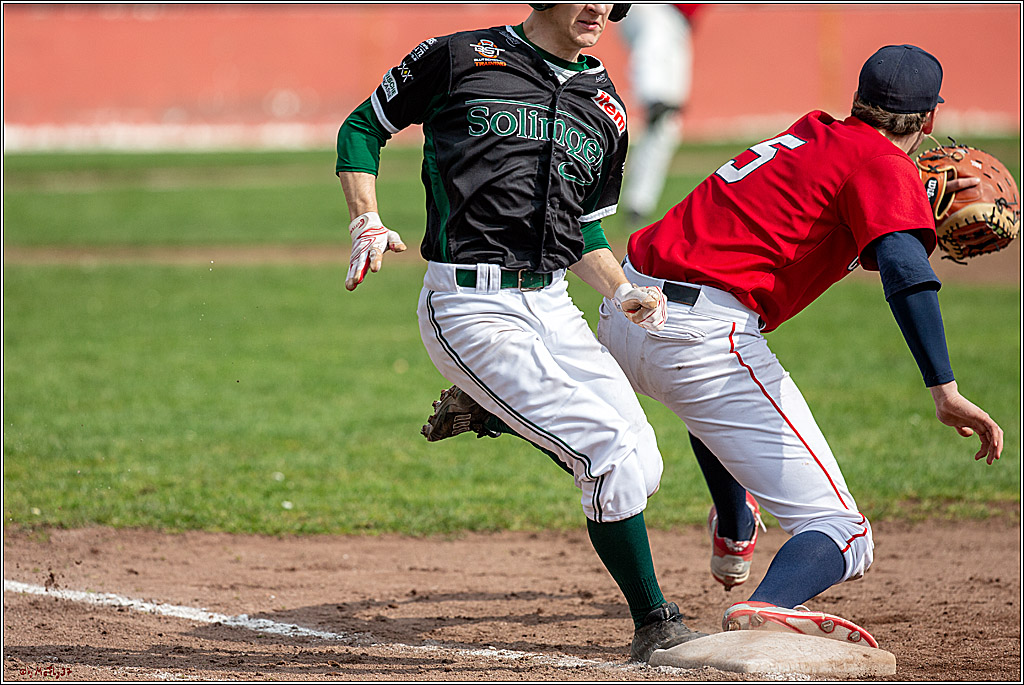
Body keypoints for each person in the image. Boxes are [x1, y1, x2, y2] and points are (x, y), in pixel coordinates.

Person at [335, 3, 707, 663]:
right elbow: (363, 126)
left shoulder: (606, 105)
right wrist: (365, 218)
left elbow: (584, 227)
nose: (602, 7)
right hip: (468, 308)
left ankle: (495, 409)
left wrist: (621, 291)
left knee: (643, 464)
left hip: (553, 303)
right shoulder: (457, 57)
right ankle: (654, 620)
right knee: (607, 456)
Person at [597, 43, 1004, 646]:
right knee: (843, 530)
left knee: (711, 405)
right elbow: (902, 267)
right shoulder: (883, 165)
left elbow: (824, 217)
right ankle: (766, 607)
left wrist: (897, 209)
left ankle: (735, 523)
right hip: (699, 338)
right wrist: (944, 389)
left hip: (624, 306)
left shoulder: (813, 131)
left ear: (858, 100)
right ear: (929, 121)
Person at [618, 4, 704, 225]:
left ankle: (639, 203)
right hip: (652, 7)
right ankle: (651, 95)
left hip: (680, 24)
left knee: (666, 124)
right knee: (652, 39)